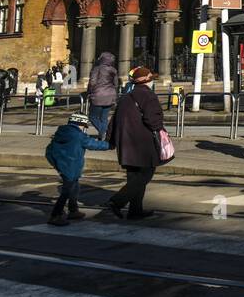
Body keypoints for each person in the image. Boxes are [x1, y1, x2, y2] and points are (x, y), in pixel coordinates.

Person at [106, 66, 166, 219]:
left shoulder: (126, 96)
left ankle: (135, 211)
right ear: (147, 81)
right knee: (145, 175)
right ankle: (117, 201)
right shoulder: (149, 96)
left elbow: (114, 120)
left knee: (134, 176)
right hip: (142, 143)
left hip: (125, 143)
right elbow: (153, 120)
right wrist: (161, 130)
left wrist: (111, 140)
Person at [44, 112, 110, 226]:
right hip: (72, 167)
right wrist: (109, 145)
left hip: (64, 167)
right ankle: (55, 215)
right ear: (80, 124)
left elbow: (49, 151)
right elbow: (93, 144)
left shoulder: (60, 133)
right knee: (66, 192)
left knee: (75, 188)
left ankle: (73, 210)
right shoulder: (79, 136)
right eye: (84, 126)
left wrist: (56, 164)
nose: (84, 129)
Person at [86, 52, 118, 139]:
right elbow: (116, 84)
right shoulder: (114, 70)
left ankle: (104, 132)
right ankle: (104, 135)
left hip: (98, 95)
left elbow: (92, 82)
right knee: (104, 117)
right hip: (110, 95)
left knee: (92, 117)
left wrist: (89, 92)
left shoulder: (97, 69)